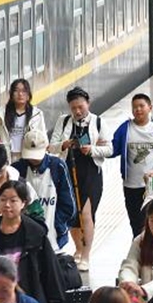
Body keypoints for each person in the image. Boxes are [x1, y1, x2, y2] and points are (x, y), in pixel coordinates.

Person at [48, 87, 111, 272]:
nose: (77, 111)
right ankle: (77, 248)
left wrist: (92, 149)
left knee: (86, 215)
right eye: (73, 107)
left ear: (88, 104)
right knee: (72, 214)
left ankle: (86, 255)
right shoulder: (64, 121)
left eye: (80, 107)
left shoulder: (99, 122)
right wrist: (64, 145)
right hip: (68, 171)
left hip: (91, 172)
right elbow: (51, 147)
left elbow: (109, 149)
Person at [110, 94, 153, 236]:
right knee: (135, 223)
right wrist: (96, 146)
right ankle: (139, 251)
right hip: (131, 185)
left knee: (152, 220)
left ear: (150, 107)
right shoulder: (125, 129)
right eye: (134, 107)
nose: (138, 110)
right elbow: (113, 150)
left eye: (141, 106)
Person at [13, 129, 76, 253]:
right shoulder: (16, 169)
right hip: (23, 238)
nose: (33, 160)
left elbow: (68, 203)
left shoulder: (58, 166)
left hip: (54, 238)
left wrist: (59, 227)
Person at [0, 78, 47, 162]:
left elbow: (43, 138)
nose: (20, 94)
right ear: (11, 94)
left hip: (29, 157)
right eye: (16, 91)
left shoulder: (36, 115)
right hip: (6, 158)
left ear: (28, 95)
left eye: (24, 91)